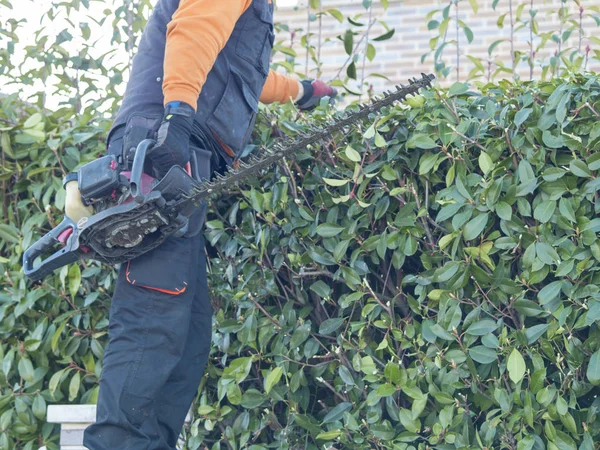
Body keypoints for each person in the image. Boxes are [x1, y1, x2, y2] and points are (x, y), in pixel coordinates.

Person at [81, 0, 336, 448]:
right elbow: (194, 29)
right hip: (164, 150)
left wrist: (299, 90)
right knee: (152, 318)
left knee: (191, 335)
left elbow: (234, 71)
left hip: (181, 158)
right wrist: (178, 114)